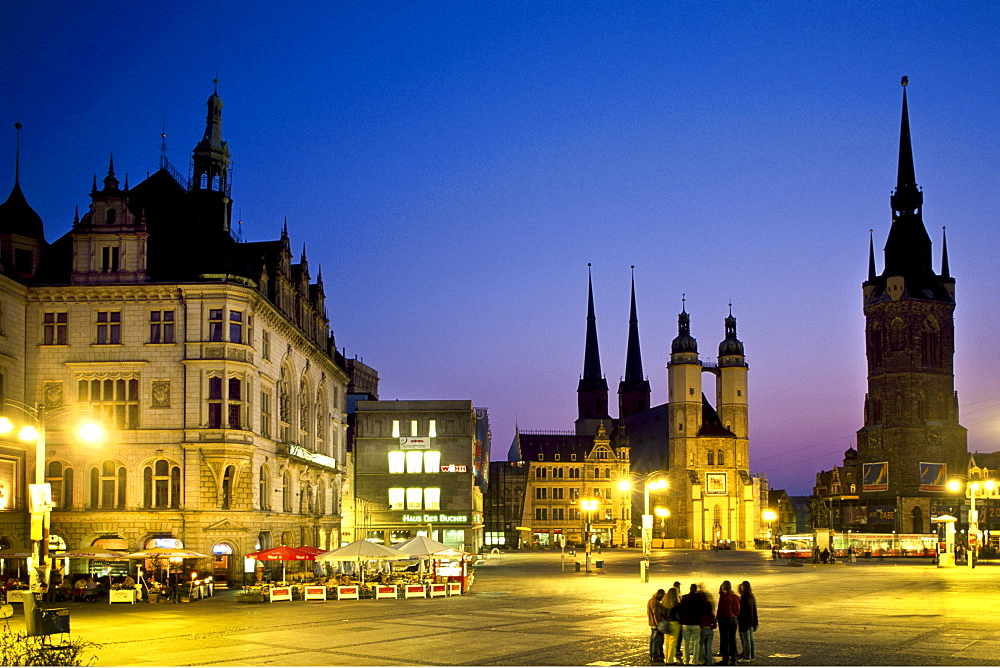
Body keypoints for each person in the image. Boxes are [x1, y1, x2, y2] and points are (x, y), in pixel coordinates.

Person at [716, 580, 740, 666]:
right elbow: (738, 609)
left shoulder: (724, 597)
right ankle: (734, 659)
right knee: (733, 639)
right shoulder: (736, 597)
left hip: (724, 619)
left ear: (723, 587)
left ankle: (725, 659)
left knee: (725, 639)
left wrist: (717, 618)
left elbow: (720, 609)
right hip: (734, 619)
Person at [679, 583, 703, 664]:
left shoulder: (684, 598)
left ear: (690, 589)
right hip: (696, 623)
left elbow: (681, 610)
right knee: (696, 643)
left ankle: (686, 660)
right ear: (696, 589)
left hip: (686, 622)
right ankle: (695, 661)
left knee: (685, 643)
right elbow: (701, 611)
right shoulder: (699, 598)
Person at [737, 581, 758, 662]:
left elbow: (741, 610)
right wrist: (755, 622)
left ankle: (747, 657)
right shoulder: (751, 595)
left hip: (744, 621)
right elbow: (754, 609)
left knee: (746, 640)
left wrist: (738, 618)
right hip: (751, 621)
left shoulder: (744, 597)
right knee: (750, 639)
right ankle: (752, 656)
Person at [697, 583, 716, 666]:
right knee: (708, 647)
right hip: (710, 631)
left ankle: (701, 659)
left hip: (703, 630)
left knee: (700, 645)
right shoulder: (711, 615)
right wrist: (711, 627)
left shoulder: (702, 616)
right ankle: (709, 661)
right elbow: (714, 625)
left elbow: (700, 623)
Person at [647, 588, 667, 663]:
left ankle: (652, 655)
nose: (662, 598)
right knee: (656, 641)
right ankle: (655, 656)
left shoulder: (651, 600)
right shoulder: (655, 602)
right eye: (662, 596)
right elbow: (655, 614)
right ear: (660, 594)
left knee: (653, 641)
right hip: (655, 624)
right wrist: (658, 624)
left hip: (652, 624)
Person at [663, 586, 682, 665]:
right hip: (675, 623)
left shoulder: (664, 603)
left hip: (666, 624)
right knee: (673, 643)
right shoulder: (677, 604)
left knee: (666, 642)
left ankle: (666, 659)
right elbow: (679, 615)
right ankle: (670, 660)